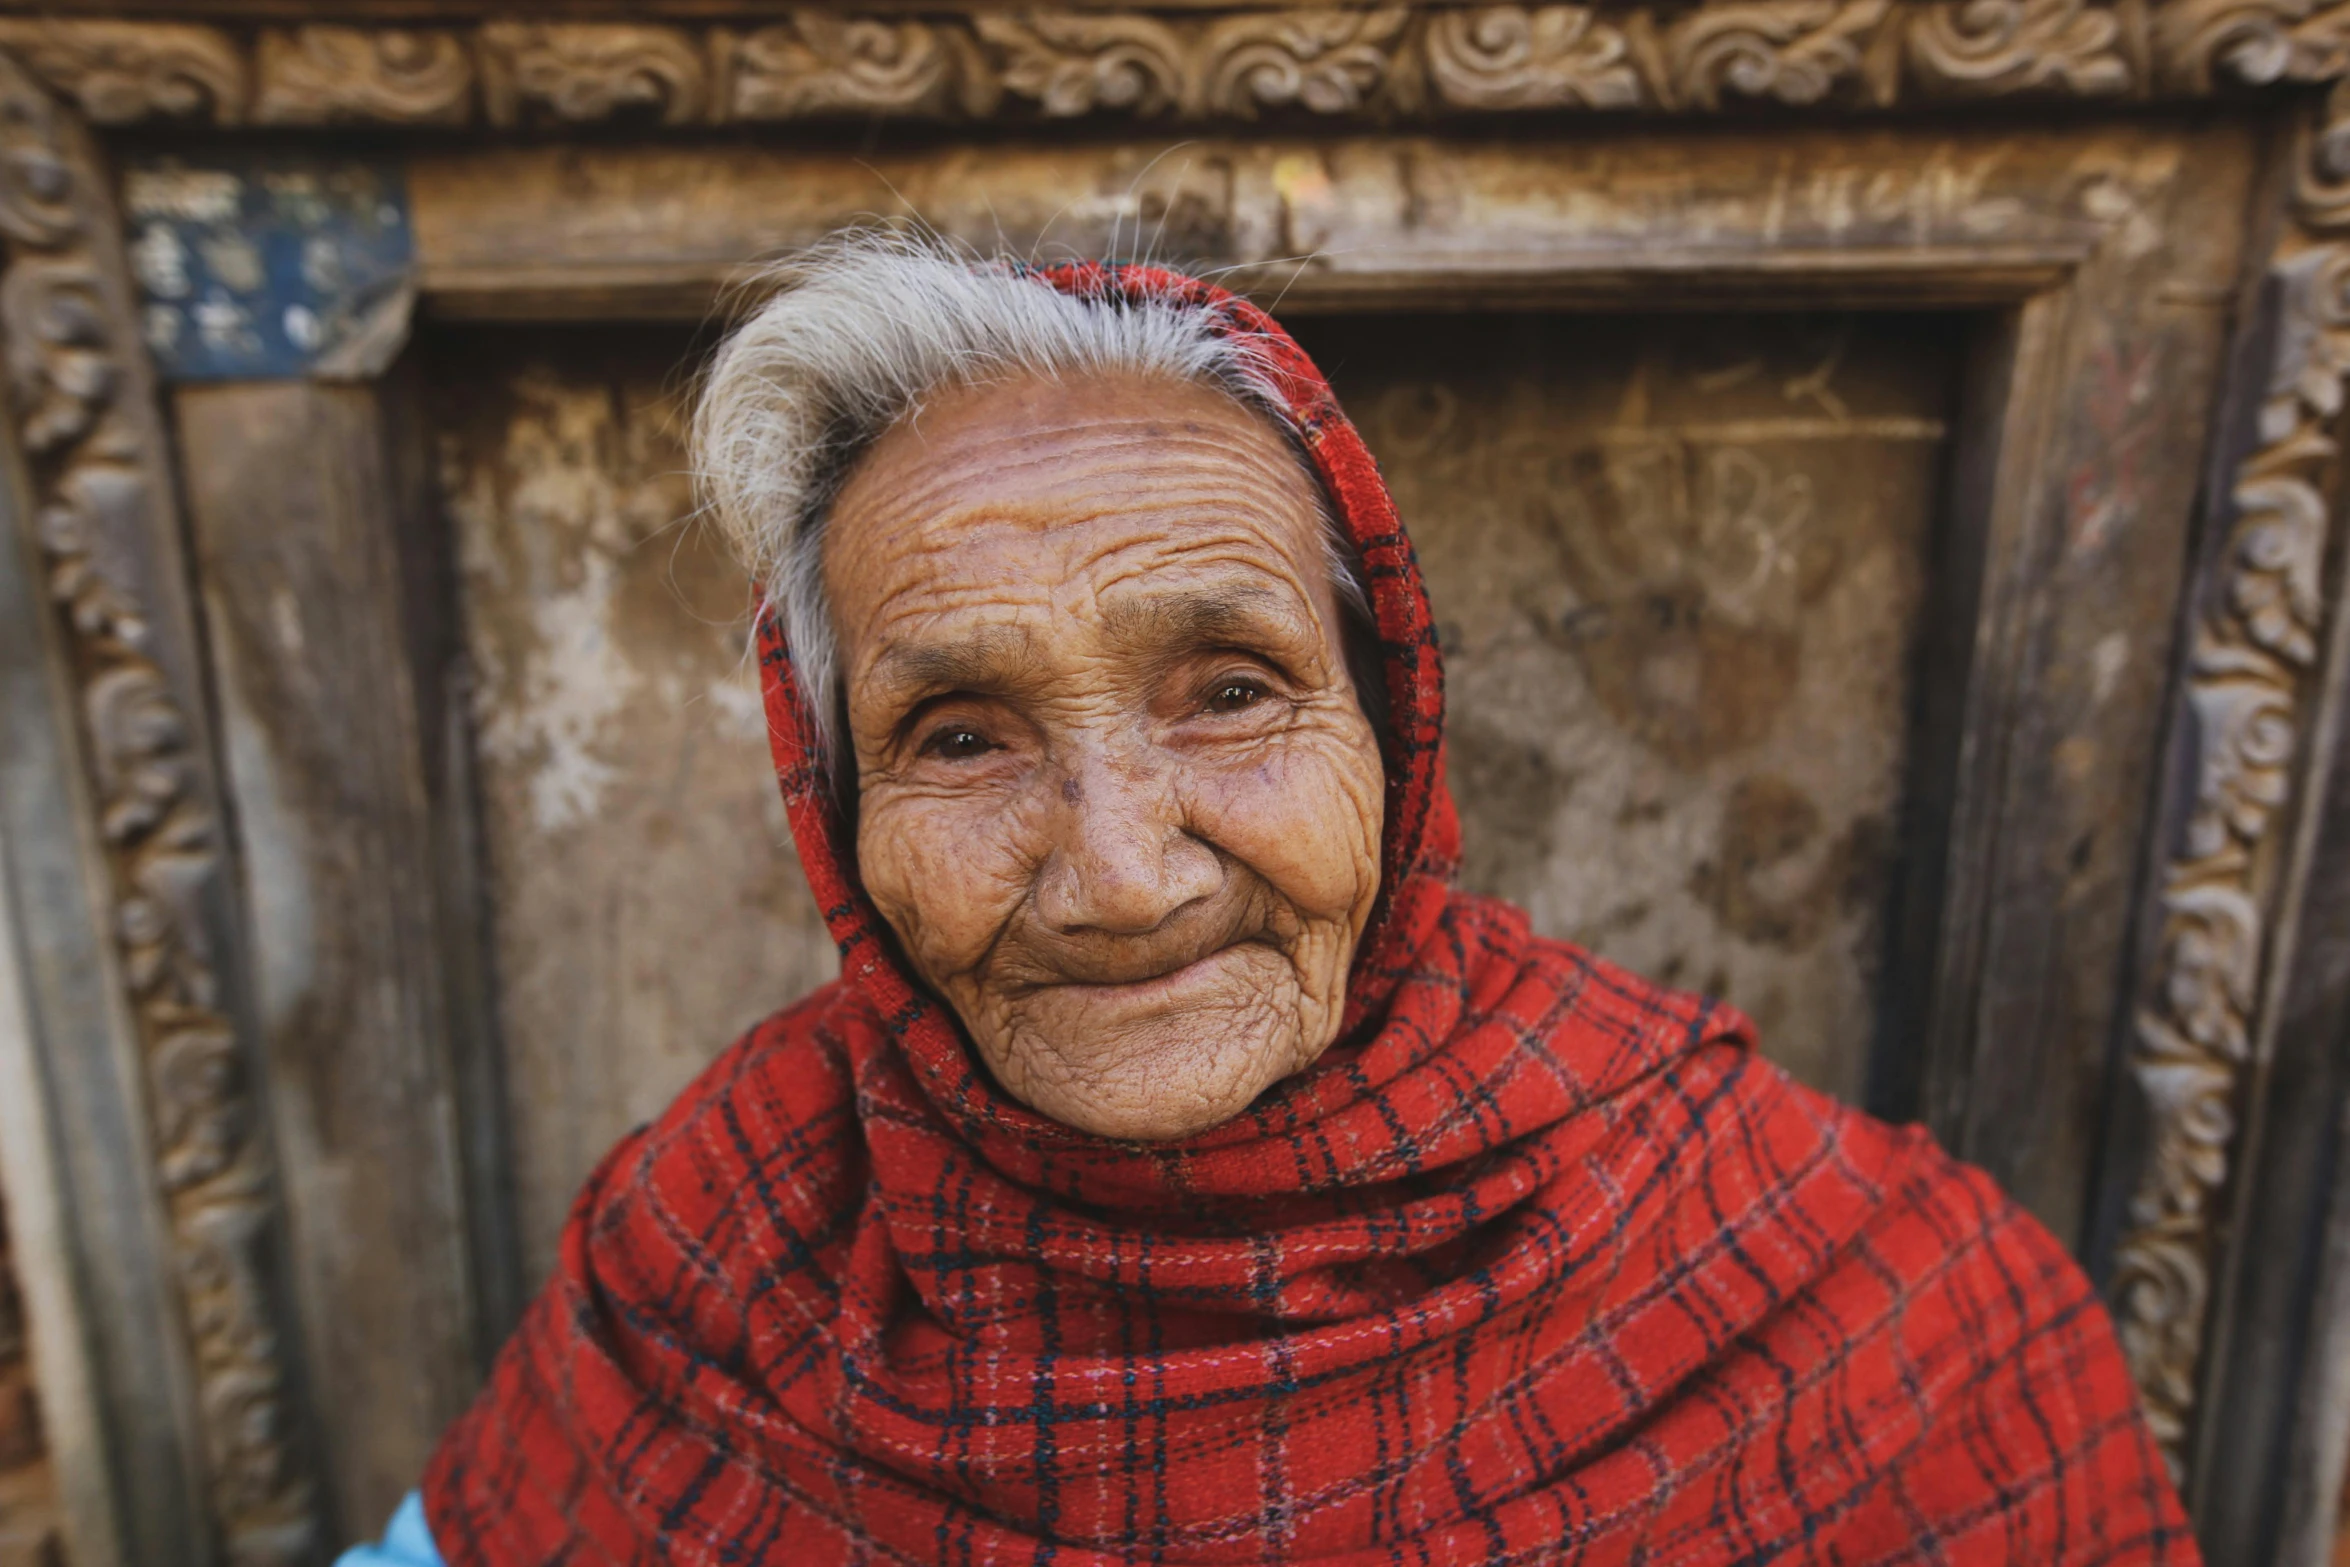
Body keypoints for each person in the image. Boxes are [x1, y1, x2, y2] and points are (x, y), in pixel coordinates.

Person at [343, 236, 2193, 1565]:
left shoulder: (1838, 1290)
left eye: (1229, 690)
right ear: (832, 812)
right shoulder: (727, 1247)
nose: (1119, 872)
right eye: (961, 735)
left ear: (1392, 730)